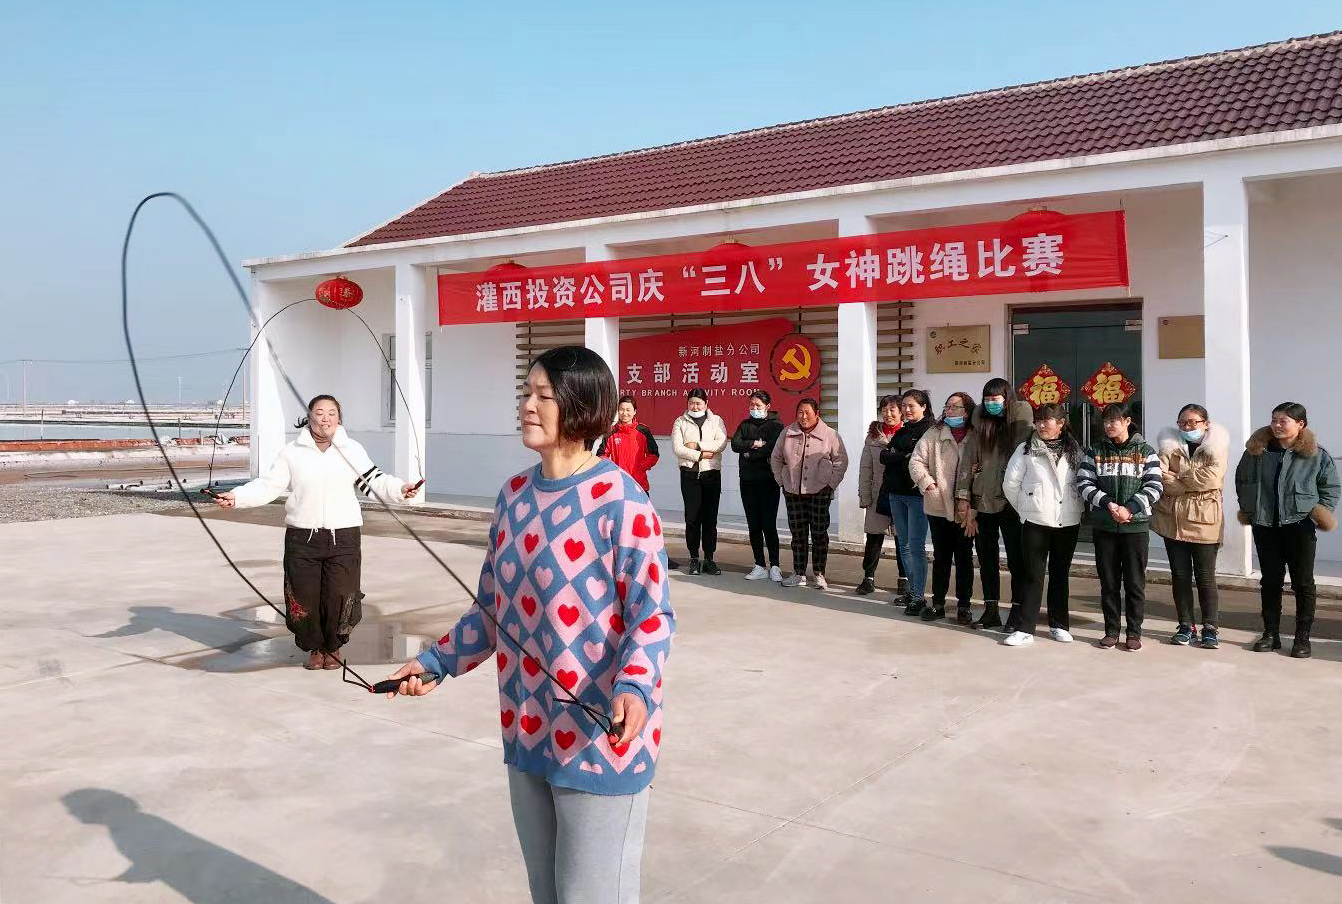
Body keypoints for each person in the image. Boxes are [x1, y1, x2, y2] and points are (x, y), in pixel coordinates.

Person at [384, 346, 675, 903]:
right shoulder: (514, 496)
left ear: (582, 405)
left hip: (600, 737)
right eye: (527, 393)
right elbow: (492, 611)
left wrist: (635, 687)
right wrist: (435, 662)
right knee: (547, 894)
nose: (528, 405)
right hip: (528, 730)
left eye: (544, 395)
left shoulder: (623, 501)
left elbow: (652, 614)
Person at [213, 394, 418, 670]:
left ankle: (333, 648)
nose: (325, 418)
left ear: (339, 418)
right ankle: (314, 648)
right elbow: (268, 486)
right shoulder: (292, 452)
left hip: (343, 536)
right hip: (302, 538)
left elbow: (373, 481)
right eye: (319, 412)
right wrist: (236, 497)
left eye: (332, 413)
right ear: (309, 417)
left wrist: (401, 490)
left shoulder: (351, 449)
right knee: (303, 596)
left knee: (340, 595)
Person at [1234, 401, 1339, 658]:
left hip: (1299, 526)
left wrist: (1315, 515)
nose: (1277, 425)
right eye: (1274, 420)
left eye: (1283, 421)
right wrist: (1249, 509)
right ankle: (1271, 634)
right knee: (1270, 581)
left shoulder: (1316, 455)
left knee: (1303, 583)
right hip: (1265, 525)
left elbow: (1330, 487)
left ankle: (1302, 638)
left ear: (1300, 424)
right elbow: (1242, 480)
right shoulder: (1256, 452)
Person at [1076, 402, 1162, 651]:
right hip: (1105, 525)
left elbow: (1155, 486)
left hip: (1135, 527)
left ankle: (1134, 632)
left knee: (1135, 583)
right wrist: (1109, 504)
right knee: (1109, 582)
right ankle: (1111, 630)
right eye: (1105, 421)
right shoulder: (1095, 451)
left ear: (1127, 421)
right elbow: (1084, 483)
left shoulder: (1146, 452)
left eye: (1114, 420)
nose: (1108, 425)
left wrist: (1130, 508)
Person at [1001, 404, 1085, 647]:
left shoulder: (1074, 449)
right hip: (1035, 520)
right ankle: (1025, 628)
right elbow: (1010, 484)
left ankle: (1059, 625)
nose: (1041, 425)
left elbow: (1083, 481)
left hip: (1067, 519)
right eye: (1038, 420)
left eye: (1046, 420)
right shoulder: (1025, 449)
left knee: (1060, 573)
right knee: (1033, 575)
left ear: (1061, 423)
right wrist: (1027, 508)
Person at [955, 378, 1034, 632]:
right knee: (987, 559)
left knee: (1016, 561)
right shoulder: (981, 429)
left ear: (1007, 399)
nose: (991, 403)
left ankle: (1017, 612)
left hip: (1011, 504)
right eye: (987, 399)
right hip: (982, 503)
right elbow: (967, 463)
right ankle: (991, 611)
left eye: (996, 399)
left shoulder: (1021, 429)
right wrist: (964, 498)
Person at [1153, 404, 1229, 648]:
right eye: (1182, 422)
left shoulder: (1216, 445)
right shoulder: (1168, 445)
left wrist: (1180, 476)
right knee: (1180, 576)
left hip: (1205, 520)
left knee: (1206, 577)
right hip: (1172, 519)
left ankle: (1210, 627)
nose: (1187, 427)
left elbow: (1212, 478)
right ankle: (1186, 625)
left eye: (1192, 422)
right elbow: (1161, 477)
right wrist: (1189, 480)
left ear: (1206, 423)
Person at [909, 392, 977, 623]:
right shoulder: (934, 432)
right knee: (941, 556)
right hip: (938, 505)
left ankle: (964, 605)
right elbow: (916, 461)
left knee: (964, 558)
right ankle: (938, 603)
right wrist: (928, 484)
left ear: (967, 411)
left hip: (967, 508)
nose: (950, 411)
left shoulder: (976, 434)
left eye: (955, 407)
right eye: (947, 406)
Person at [771, 397, 849, 589]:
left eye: (807, 412)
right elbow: (776, 458)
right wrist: (782, 481)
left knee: (819, 534)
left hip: (819, 491)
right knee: (798, 535)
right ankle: (798, 573)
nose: (803, 416)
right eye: (800, 412)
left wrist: (830, 485)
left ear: (817, 414)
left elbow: (841, 461)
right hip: (793, 492)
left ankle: (819, 574)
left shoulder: (830, 434)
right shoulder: (787, 433)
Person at [598, 395, 679, 570]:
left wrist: (640, 467)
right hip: (618, 487)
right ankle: (620, 560)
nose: (624, 413)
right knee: (619, 525)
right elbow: (601, 455)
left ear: (635, 412)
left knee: (649, 523)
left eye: (628, 410)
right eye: (621, 409)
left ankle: (660, 557)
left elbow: (654, 454)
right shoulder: (611, 432)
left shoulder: (643, 431)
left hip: (640, 485)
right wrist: (614, 470)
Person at [881, 389, 934, 613]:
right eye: (904, 406)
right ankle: (912, 591)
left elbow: (917, 460)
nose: (907, 410)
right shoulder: (903, 431)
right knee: (902, 544)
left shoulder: (930, 431)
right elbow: (884, 456)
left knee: (916, 546)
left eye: (911, 405)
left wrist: (897, 456)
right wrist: (901, 455)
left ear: (923, 407)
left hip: (917, 496)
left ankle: (919, 596)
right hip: (896, 493)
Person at [672, 388, 729, 576]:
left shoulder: (716, 421)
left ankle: (709, 559)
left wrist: (697, 445)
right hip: (689, 476)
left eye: (698, 403)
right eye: (691, 403)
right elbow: (678, 448)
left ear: (706, 404)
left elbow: (721, 443)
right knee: (692, 519)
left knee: (710, 519)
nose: (694, 406)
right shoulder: (680, 421)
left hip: (711, 475)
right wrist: (700, 455)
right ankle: (694, 558)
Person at [730, 390, 786, 582]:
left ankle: (775, 565)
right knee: (753, 524)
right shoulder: (745, 424)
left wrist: (749, 453)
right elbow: (735, 444)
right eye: (752, 405)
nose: (754, 408)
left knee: (768, 524)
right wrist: (754, 443)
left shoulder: (776, 426)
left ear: (767, 406)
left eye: (758, 406)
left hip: (768, 481)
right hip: (747, 480)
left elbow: (772, 448)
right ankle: (759, 564)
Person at [856, 395, 907, 596]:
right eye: (884, 410)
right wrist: (865, 495)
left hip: (902, 493)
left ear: (901, 411)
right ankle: (868, 578)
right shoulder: (873, 436)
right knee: (874, 537)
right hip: (878, 494)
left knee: (902, 538)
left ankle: (904, 578)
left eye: (892, 409)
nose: (888, 414)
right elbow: (865, 468)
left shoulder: (908, 433)